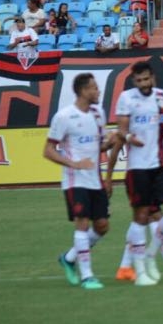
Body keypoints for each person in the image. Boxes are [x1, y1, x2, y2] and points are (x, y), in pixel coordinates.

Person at [114, 61, 163, 286]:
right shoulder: (127, 98)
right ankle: (138, 268)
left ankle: (150, 255)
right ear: (133, 81)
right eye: (139, 80)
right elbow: (121, 129)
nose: (144, 84)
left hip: (161, 166)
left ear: (153, 78)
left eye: (146, 79)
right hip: (138, 168)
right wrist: (129, 138)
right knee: (142, 218)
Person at [45, 73, 114, 290]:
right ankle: (87, 276)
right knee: (82, 223)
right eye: (94, 88)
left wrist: (111, 142)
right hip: (75, 181)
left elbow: (99, 146)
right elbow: (47, 151)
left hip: (95, 180)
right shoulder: (64, 116)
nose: (98, 91)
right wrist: (74, 164)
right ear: (83, 91)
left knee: (102, 226)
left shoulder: (98, 113)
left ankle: (69, 258)